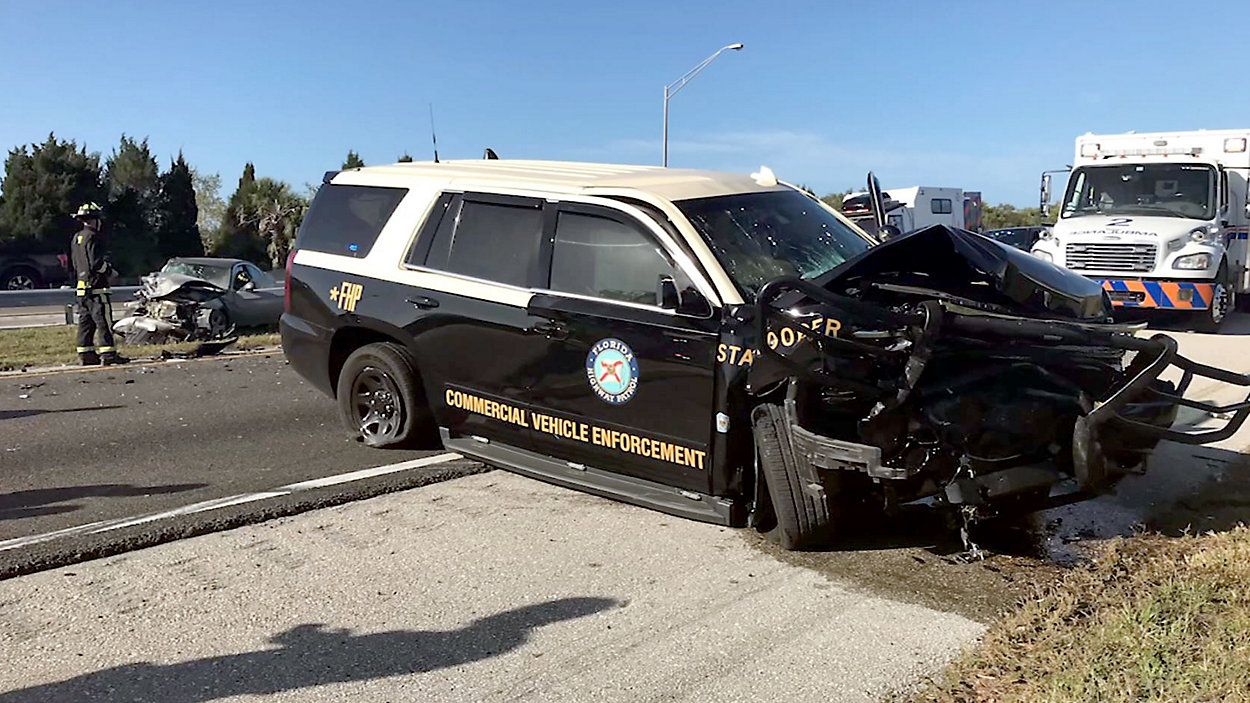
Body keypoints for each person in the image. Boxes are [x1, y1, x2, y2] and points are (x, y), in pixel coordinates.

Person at [69, 202, 128, 365]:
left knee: (85, 324)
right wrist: (111, 272)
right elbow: (96, 263)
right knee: (103, 323)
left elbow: (75, 264)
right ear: (96, 220)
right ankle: (108, 355)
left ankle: (86, 355)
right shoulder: (93, 237)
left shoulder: (77, 238)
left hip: (82, 289)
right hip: (97, 289)